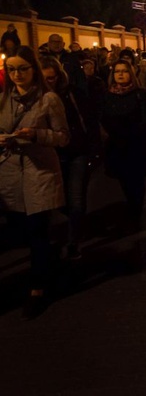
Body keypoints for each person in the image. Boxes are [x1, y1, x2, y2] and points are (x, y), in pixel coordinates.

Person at [0, 46, 69, 319]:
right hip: (10, 173)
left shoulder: (49, 100)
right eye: (12, 69)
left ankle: (38, 289)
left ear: (34, 70)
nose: (17, 74)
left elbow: (63, 137)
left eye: (23, 69)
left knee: (37, 230)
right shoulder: (3, 100)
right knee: (20, 229)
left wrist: (37, 134)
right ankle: (49, 263)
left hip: (39, 172)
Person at [40, 55, 94, 260]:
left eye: (51, 78)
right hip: (49, 155)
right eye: (44, 79)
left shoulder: (72, 94)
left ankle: (73, 242)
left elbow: (88, 121)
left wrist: (93, 150)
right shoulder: (36, 98)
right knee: (58, 201)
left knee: (76, 198)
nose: (48, 83)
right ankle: (76, 222)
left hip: (76, 153)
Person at [101, 59, 146, 225]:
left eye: (124, 71)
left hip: (135, 145)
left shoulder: (141, 95)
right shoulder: (107, 96)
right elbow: (102, 117)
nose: (121, 74)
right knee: (123, 180)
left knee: (136, 182)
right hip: (116, 146)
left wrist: (131, 133)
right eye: (117, 71)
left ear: (130, 73)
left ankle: (135, 213)